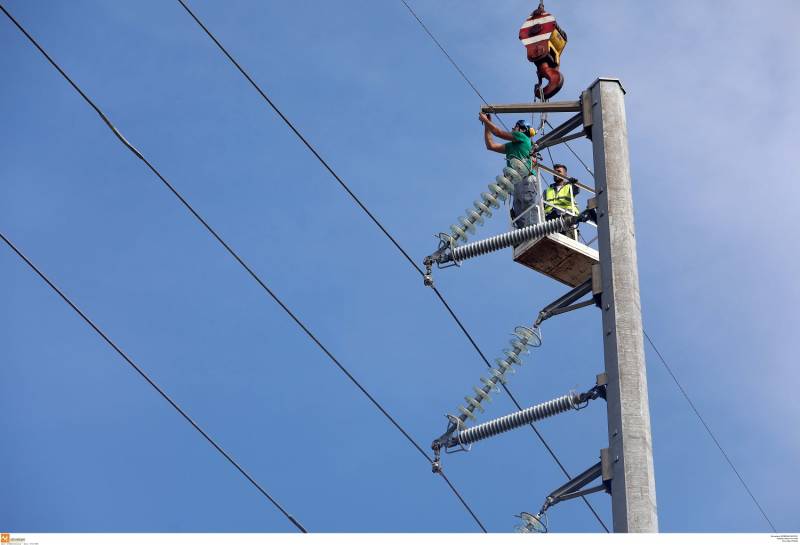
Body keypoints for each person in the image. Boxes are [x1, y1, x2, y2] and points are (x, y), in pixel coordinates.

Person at [478, 112, 539, 228]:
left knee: (527, 206)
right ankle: (525, 237)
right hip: (516, 182)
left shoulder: (523, 138)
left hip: (527, 180)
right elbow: (490, 145)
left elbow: (498, 133)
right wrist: (487, 125)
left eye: (515, 126)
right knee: (519, 211)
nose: (513, 128)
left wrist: (486, 121)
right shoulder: (512, 146)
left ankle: (534, 231)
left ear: (522, 130)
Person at [544, 163, 580, 238]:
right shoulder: (547, 190)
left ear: (565, 174)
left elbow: (576, 190)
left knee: (568, 244)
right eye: (554, 172)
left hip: (566, 219)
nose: (556, 173)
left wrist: (575, 183)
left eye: (559, 171)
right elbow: (542, 206)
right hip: (550, 221)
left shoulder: (569, 186)